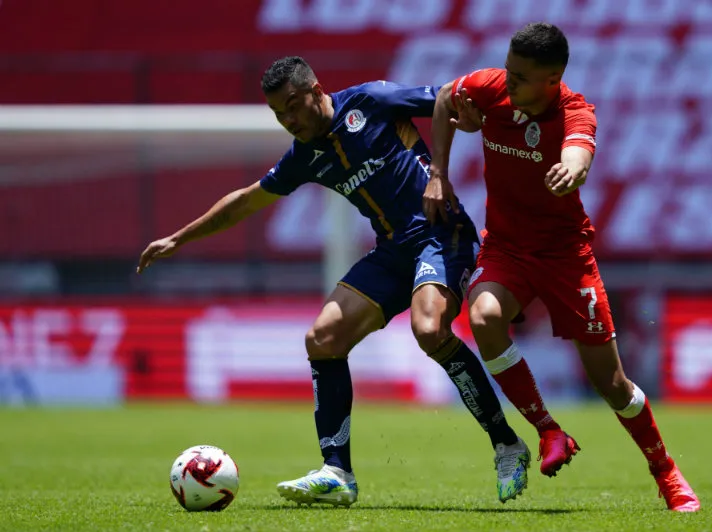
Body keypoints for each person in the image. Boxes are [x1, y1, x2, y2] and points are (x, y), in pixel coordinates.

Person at [137, 56, 532, 506]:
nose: (288, 120)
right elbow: (246, 201)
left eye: (292, 106)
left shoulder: (372, 100)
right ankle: (337, 471)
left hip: (442, 235)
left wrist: (490, 117)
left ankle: (506, 444)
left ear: (316, 90)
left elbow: (447, 97)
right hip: (392, 253)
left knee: (429, 329)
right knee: (322, 338)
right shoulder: (305, 155)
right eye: (278, 114)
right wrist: (177, 238)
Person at [423, 23, 701, 512]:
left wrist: (573, 166)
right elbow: (446, 98)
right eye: (508, 70)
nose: (507, 82)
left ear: (552, 78)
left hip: (566, 256)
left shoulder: (576, 110)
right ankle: (549, 430)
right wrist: (439, 173)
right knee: (483, 316)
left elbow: (579, 150)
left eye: (520, 76)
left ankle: (666, 471)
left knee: (611, 384)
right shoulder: (492, 87)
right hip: (507, 248)